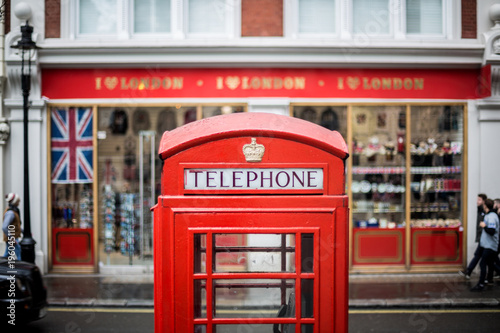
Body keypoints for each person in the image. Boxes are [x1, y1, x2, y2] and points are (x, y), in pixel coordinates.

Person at [471, 199, 499, 291]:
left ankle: (481, 284)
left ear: (485, 206)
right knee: (491, 263)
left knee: (483, 263)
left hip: (490, 245)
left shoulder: (491, 217)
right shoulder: (490, 215)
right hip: (487, 245)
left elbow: (491, 230)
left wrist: (484, 225)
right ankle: (488, 280)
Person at [459, 193, 487, 279]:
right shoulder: (480, 210)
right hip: (482, 237)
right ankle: (468, 271)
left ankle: (469, 272)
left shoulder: (484, 211)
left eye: (479, 200)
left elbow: (484, 226)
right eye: (477, 199)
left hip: (484, 238)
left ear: (484, 201)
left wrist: (481, 237)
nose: (477, 201)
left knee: (480, 256)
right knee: (487, 257)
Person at [2, 193, 22, 260]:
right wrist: (11, 238)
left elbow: (16, 225)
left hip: (12, 238)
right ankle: (21, 269)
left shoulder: (13, 211)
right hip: (12, 238)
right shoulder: (10, 213)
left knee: (7, 254)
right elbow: (4, 227)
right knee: (19, 254)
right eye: (18, 201)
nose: (19, 203)